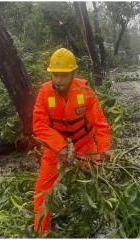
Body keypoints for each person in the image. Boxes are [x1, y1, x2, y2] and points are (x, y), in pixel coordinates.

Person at [32, 48, 111, 235]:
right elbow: (39, 125)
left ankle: (92, 222)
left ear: (73, 74)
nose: (58, 80)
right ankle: (42, 232)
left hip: (84, 147)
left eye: (63, 75)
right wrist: (59, 147)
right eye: (55, 75)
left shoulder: (86, 92)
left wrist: (104, 150)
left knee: (94, 184)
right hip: (55, 149)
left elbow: (100, 124)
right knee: (42, 192)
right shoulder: (44, 92)